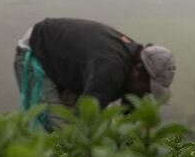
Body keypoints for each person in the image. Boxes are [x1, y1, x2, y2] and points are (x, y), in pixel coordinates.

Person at [14, 17, 176, 130]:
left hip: (64, 61)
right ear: (137, 70)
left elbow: (127, 120)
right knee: (62, 129)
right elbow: (88, 115)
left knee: (82, 125)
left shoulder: (133, 64)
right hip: (38, 51)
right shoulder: (110, 69)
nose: (145, 93)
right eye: (145, 88)